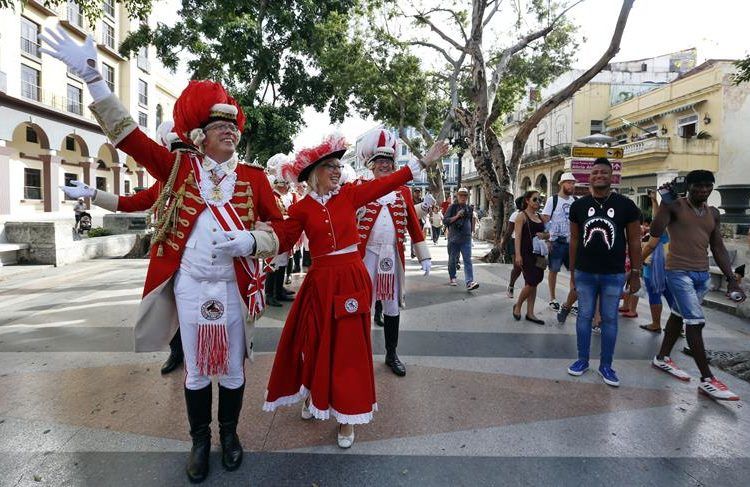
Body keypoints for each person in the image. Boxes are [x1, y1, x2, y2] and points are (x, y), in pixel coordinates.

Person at [40, 27, 284, 483]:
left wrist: (255, 242)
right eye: (219, 127)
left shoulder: (253, 178)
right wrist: (94, 79)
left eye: (232, 125)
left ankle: (229, 436)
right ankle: (198, 440)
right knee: (195, 367)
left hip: (234, 286)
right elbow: (129, 137)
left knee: (232, 368)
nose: (229, 130)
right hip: (191, 285)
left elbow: (287, 228)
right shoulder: (177, 166)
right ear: (199, 136)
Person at [261, 134, 449, 448]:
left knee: (349, 349)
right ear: (313, 173)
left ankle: (348, 417)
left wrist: (424, 162)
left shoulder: (350, 195)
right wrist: (252, 241)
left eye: (338, 165)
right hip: (319, 282)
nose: (337, 170)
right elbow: (282, 238)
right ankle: (313, 394)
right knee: (315, 341)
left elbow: (386, 185)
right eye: (330, 166)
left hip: (350, 278)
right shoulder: (302, 208)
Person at [61, 121, 194, 375]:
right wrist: (92, 193)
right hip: (168, 258)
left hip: (197, 259)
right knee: (169, 306)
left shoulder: (203, 181)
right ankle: (178, 352)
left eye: (181, 149)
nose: (176, 156)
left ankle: (200, 352)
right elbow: (129, 203)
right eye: (172, 149)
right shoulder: (162, 184)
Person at [648, 170, 745, 400]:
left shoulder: (712, 213)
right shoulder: (675, 207)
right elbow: (655, 230)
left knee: (678, 316)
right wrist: (664, 203)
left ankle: (661, 358)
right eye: (697, 187)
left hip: (702, 275)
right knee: (695, 322)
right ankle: (707, 379)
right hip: (678, 272)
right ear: (688, 187)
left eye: (707, 186)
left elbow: (718, 247)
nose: (703, 191)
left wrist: (732, 279)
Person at [354, 129, 432, 377]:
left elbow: (412, 224)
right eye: (380, 162)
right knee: (363, 305)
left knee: (391, 305)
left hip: (392, 256)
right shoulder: (360, 187)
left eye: (388, 163)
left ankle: (391, 353)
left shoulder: (403, 192)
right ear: (371, 165)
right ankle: (359, 354)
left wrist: (425, 255)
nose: (385, 166)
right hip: (365, 255)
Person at [566, 158, 642, 387]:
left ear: (612, 177)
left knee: (610, 319)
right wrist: (572, 271)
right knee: (584, 316)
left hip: (614, 273)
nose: (599, 175)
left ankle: (606, 366)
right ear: (589, 177)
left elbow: (635, 241)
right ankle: (582, 360)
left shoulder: (627, 206)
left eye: (604, 173)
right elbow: (575, 240)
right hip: (585, 273)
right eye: (595, 172)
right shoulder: (578, 206)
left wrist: (636, 272)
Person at [541, 172, 577, 311]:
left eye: (573, 183)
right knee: (554, 270)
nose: (571, 185)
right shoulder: (553, 200)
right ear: (561, 184)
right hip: (556, 242)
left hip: (570, 242)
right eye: (569, 182)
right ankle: (552, 298)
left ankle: (571, 301)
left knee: (574, 272)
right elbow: (545, 219)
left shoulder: (574, 201)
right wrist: (549, 239)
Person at [512, 190, 548, 325]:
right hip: (526, 253)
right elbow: (518, 237)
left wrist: (543, 236)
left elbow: (548, 234)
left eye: (540, 200)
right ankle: (518, 305)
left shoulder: (540, 216)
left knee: (536, 282)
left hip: (540, 254)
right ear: (527, 200)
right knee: (531, 281)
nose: (538, 202)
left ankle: (530, 312)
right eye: (535, 199)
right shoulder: (521, 216)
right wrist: (518, 255)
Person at [443, 187, 479, 290]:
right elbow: (445, 221)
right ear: (457, 196)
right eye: (461, 195)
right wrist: (457, 216)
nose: (463, 197)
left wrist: (472, 232)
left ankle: (469, 282)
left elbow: (471, 220)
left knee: (467, 260)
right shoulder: (452, 208)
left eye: (465, 195)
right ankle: (452, 277)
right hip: (453, 239)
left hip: (466, 239)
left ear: (467, 197)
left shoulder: (469, 208)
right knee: (452, 259)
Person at [499, 196, 525, 298]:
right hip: (515, 242)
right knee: (518, 267)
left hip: (528, 244)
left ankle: (528, 289)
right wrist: (503, 244)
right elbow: (509, 231)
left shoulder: (533, 214)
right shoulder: (515, 215)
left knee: (527, 269)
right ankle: (511, 286)